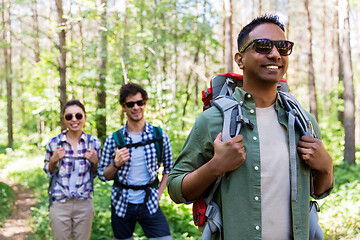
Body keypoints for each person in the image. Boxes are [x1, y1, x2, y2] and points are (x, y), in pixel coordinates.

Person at [167, 14, 334, 239]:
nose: (275, 54)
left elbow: (319, 190)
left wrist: (326, 167)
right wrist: (216, 166)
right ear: (240, 59)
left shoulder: (303, 122)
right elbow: (176, 188)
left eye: (283, 47)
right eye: (263, 46)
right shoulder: (213, 121)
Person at [98, 83, 173, 240]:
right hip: (121, 203)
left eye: (140, 102)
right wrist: (115, 163)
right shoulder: (114, 139)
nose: (136, 107)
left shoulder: (159, 135)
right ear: (123, 107)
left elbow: (169, 168)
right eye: (130, 104)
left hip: (150, 202)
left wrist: (159, 193)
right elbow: (103, 175)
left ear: (145, 103)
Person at [44, 100, 101, 240]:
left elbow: (96, 173)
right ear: (64, 119)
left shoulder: (94, 143)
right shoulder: (54, 143)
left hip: (84, 203)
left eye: (78, 116)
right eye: (69, 116)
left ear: (85, 117)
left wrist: (95, 162)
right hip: (60, 203)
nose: (74, 119)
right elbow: (48, 171)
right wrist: (53, 160)